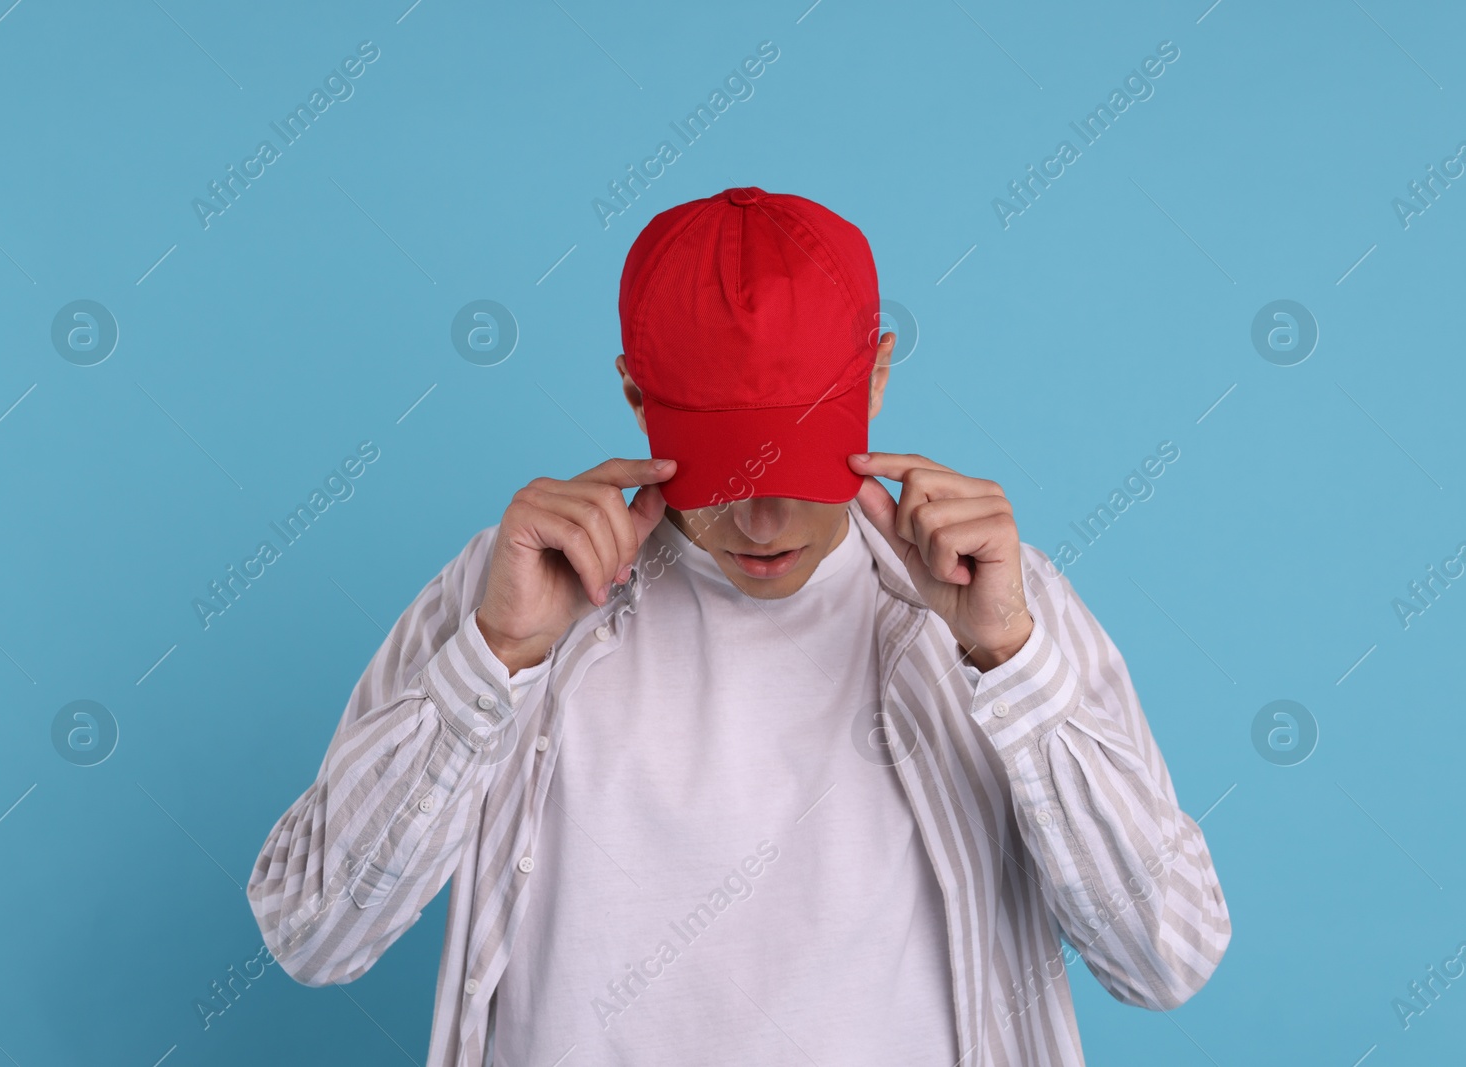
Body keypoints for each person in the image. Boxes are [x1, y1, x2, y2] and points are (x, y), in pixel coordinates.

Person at [247, 186, 1230, 1066]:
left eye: (799, 467)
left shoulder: (999, 602)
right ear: (635, 392)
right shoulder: (509, 589)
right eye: (723, 473)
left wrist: (1007, 661)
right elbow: (314, 933)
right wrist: (494, 659)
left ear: (877, 379)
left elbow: (1167, 956)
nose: (763, 521)